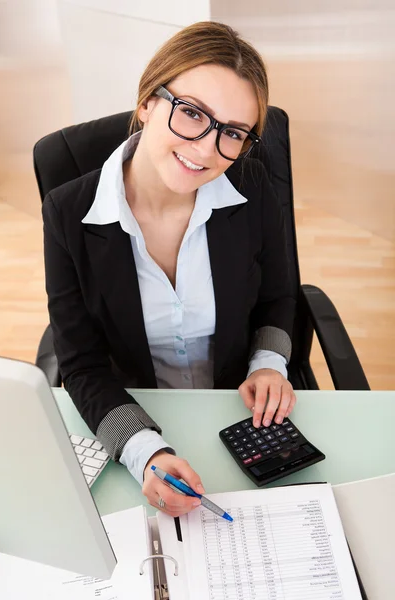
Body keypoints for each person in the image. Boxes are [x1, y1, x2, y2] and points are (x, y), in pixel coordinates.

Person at [42, 21, 297, 517]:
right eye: (192, 113)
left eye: (233, 133)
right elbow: (82, 364)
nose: (206, 149)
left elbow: (278, 296)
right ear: (146, 102)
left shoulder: (251, 182)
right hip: (133, 409)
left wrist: (268, 363)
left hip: (237, 410)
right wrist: (147, 454)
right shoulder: (67, 213)